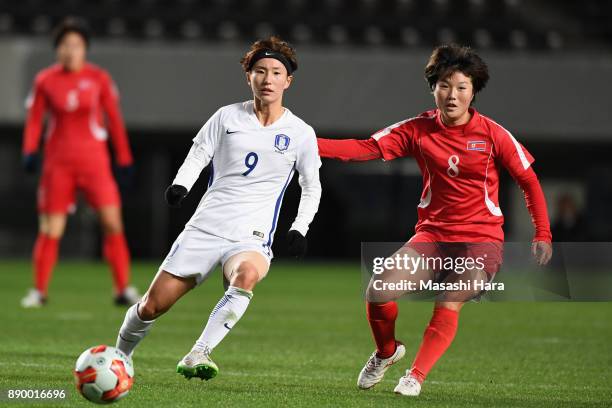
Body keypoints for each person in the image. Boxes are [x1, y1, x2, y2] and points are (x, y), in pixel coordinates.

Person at [317, 44, 552, 397]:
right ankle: (386, 352)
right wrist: (307, 143)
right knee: (378, 290)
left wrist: (543, 232)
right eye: (445, 85)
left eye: (461, 87)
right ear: (433, 88)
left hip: (481, 239)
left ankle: (415, 376)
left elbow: (528, 180)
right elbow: (366, 148)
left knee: (450, 296)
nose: (453, 94)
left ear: (473, 91)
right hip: (432, 236)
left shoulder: (493, 134)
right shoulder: (418, 129)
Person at [115, 36, 321, 381]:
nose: (267, 79)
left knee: (247, 276)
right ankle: (120, 356)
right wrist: (181, 184)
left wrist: (300, 227)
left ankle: (199, 352)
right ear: (249, 77)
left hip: (251, 236)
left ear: (288, 81)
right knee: (152, 305)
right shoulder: (227, 116)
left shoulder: (300, 133)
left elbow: (311, 187)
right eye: (259, 71)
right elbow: (199, 154)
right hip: (206, 227)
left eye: (275, 72)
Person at [21, 17, 139, 308]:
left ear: (85, 49)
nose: (70, 50)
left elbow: (114, 120)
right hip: (58, 165)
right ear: (57, 50)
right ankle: (39, 291)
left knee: (112, 224)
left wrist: (124, 158)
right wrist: (30, 150)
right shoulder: (45, 80)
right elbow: (35, 120)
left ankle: (122, 289)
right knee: (51, 229)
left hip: (94, 163)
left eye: (76, 45)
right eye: (65, 45)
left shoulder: (99, 79)